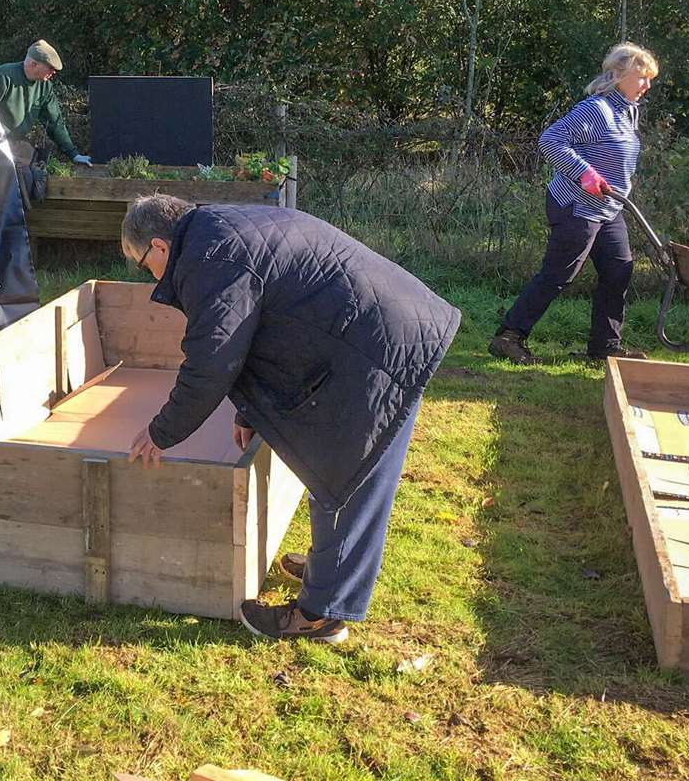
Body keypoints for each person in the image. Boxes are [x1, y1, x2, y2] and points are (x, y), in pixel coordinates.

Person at [121, 195, 461, 642]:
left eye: (142, 263)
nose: (149, 275)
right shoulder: (218, 228)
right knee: (340, 470)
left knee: (342, 472)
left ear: (160, 247)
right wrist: (250, 412)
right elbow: (252, 327)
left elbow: (213, 361)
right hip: (371, 331)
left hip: (376, 346)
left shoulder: (210, 258)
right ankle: (330, 569)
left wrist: (160, 433)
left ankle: (321, 614)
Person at [489, 42, 659, 365]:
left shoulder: (627, 112)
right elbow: (550, 141)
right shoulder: (598, 109)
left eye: (650, 78)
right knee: (559, 274)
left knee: (618, 271)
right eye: (642, 77)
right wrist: (585, 174)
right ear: (619, 74)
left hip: (610, 209)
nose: (647, 85)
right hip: (576, 206)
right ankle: (509, 336)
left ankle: (605, 348)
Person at [0, 40, 92, 167]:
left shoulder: (45, 86)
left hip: (16, 143)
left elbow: (55, 122)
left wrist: (74, 155)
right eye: (50, 68)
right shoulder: (1, 77)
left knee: (35, 166)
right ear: (34, 64)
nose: (54, 72)